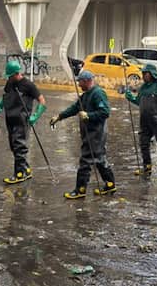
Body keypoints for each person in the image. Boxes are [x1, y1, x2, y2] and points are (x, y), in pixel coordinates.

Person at [50, 69, 116, 199]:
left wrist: (89, 115)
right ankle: (110, 185)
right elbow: (75, 108)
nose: (79, 84)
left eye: (80, 82)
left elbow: (105, 112)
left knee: (86, 160)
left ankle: (80, 190)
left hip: (96, 134)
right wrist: (59, 116)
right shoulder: (86, 95)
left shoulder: (98, 93)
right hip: (90, 133)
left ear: (87, 81)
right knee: (99, 159)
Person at [0, 60, 47, 184]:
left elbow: (42, 100)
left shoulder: (28, 85)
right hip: (10, 119)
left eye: (10, 76)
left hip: (22, 120)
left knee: (19, 147)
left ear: (17, 73)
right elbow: (4, 97)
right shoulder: (10, 83)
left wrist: (35, 116)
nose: (9, 78)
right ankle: (26, 170)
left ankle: (19, 174)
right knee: (14, 147)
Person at [125, 64, 157, 176]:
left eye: (146, 73)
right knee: (143, 143)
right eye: (143, 73)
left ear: (152, 74)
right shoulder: (143, 88)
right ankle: (147, 166)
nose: (144, 76)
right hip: (144, 121)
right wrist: (131, 98)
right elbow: (139, 101)